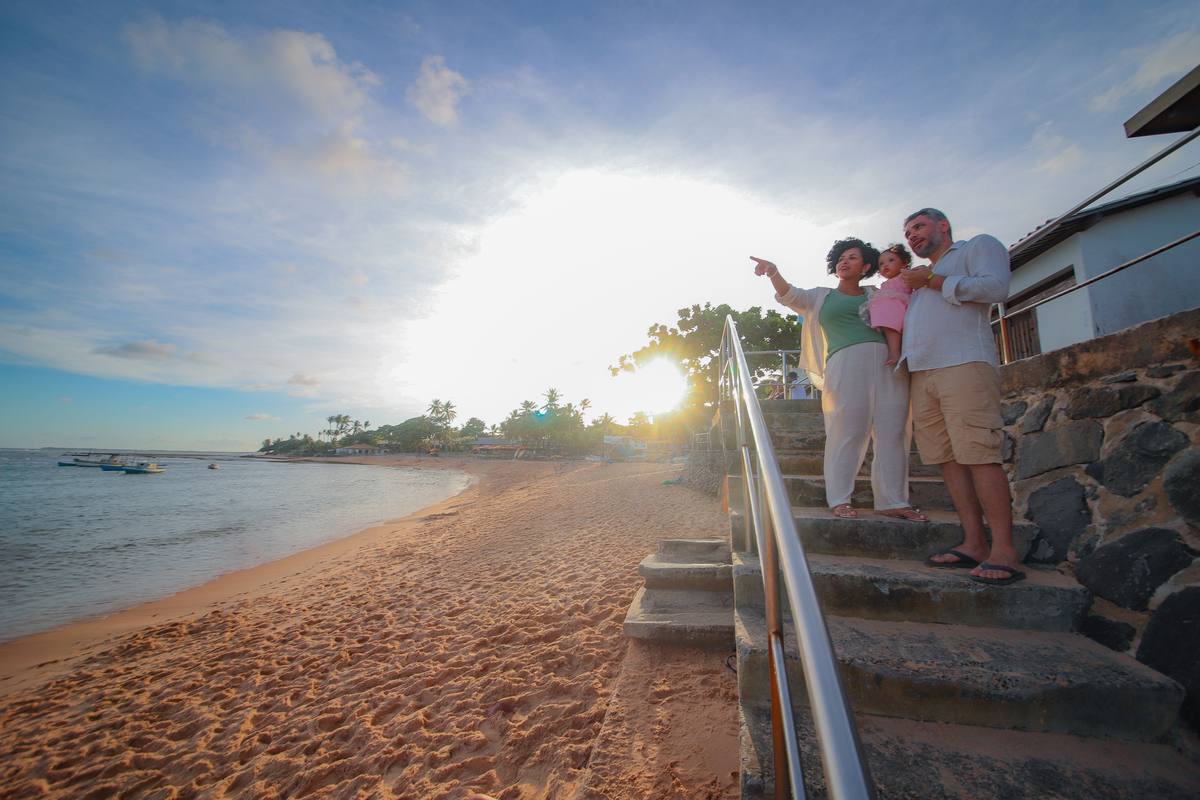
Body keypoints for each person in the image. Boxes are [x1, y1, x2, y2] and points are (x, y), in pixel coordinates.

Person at [752, 239, 927, 520]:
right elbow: (790, 295)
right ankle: (840, 498)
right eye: (841, 258)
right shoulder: (822, 296)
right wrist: (773, 272)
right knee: (846, 431)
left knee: (893, 432)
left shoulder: (877, 292)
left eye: (853, 258)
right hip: (845, 365)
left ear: (866, 266)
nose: (844, 262)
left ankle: (894, 500)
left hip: (888, 363)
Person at [898, 208, 1023, 585]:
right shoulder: (921, 282)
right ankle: (974, 543)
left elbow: (996, 288)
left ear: (943, 225)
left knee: (979, 454)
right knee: (947, 460)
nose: (912, 236)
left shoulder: (976, 248)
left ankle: (1004, 550)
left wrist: (933, 280)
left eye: (918, 227)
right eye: (907, 233)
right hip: (922, 372)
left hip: (965, 363)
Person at [861, 244, 916, 366]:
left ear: (904, 262)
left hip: (899, 307)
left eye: (891, 260)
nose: (885, 265)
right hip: (892, 311)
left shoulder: (907, 275)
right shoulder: (885, 284)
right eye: (881, 263)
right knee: (889, 327)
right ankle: (895, 349)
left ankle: (894, 351)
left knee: (891, 325)